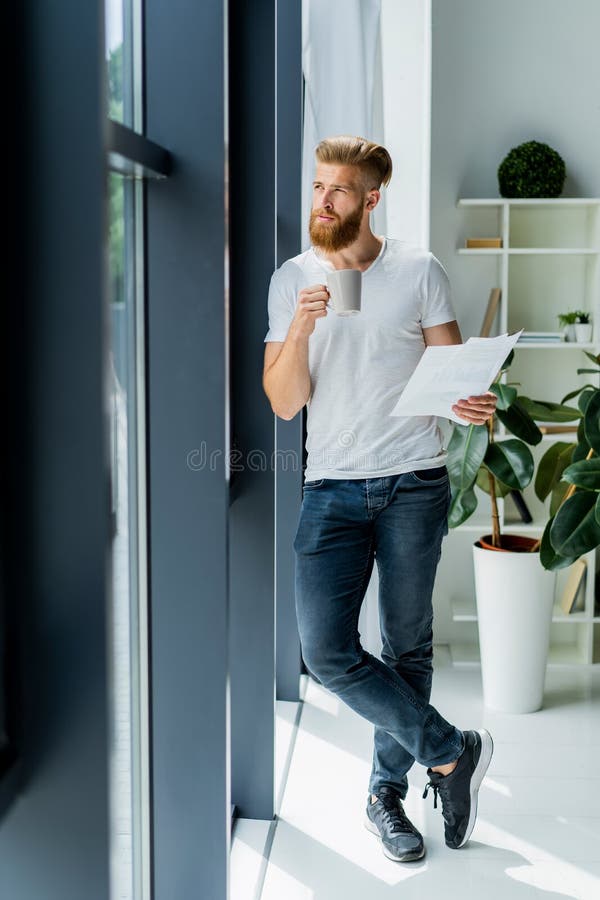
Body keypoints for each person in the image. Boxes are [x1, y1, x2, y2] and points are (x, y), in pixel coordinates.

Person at [262, 135, 495, 863]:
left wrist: (468, 402)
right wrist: (302, 325)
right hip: (331, 487)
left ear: (371, 198)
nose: (322, 201)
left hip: (414, 484)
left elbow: (451, 371)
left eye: (338, 190)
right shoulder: (291, 279)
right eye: (317, 187)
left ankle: (386, 795)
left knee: (406, 646)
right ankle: (451, 752)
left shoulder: (418, 271)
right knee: (326, 650)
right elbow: (284, 403)